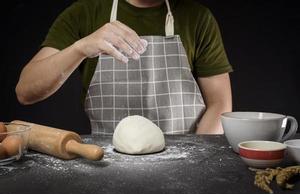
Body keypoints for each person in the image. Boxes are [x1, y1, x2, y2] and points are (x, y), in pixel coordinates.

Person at [15, 0, 233, 135]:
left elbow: (220, 104)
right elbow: (25, 91)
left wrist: (195, 158)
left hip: (185, 161)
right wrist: (80, 48)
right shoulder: (84, 13)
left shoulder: (197, 18)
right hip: (107, 162)